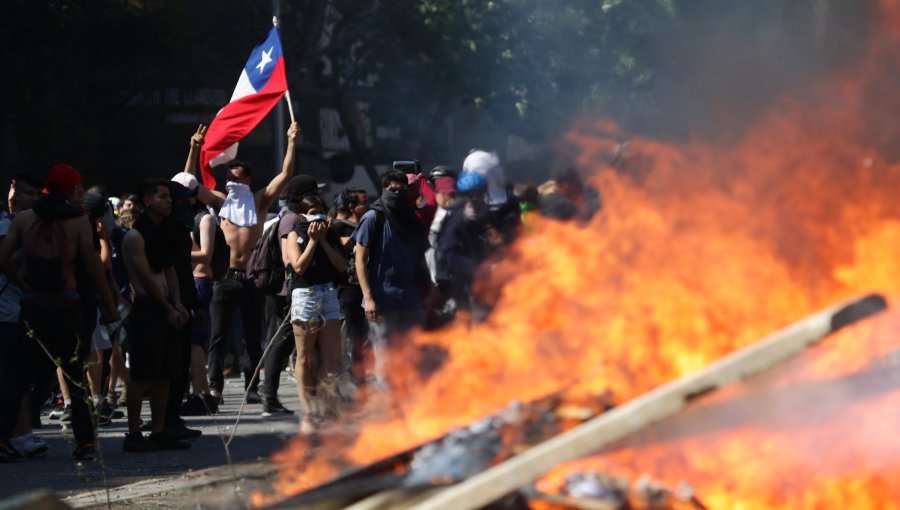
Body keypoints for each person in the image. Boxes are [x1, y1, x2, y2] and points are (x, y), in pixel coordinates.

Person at [0, 164, 119, 461]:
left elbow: (3, 259)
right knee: (75, 374)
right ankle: (85, 442)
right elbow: (93, 268)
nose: (81, 191)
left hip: (31, 308)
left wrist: (23, 283)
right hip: (66, 307)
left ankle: (2, 439)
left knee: (16, 375)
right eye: (78, 187)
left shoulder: (25, 219)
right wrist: (110, 303)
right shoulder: (78, 222)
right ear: (70, 190)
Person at [202, 122, 299, 404]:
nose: (234, 184)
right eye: (229, 179)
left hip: (251, 279)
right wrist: (195, 148)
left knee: (252, 336)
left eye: (239, 179)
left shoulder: (259, 203)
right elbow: (189, 185)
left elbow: (285, 174)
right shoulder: (222, 203)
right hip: (225, 279)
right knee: (218, 336)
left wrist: (291, 140)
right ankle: (215, 387)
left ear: (249, 181)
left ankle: (252, 387)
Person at [120, 179, 191, 452]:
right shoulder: (135, 236)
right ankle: (134, 433)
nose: (169, 201)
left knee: (165, 373)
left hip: (167, 309)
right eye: (162, 197)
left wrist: (179, 304)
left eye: (169, 197)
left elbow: (169, 271)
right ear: (147, 201)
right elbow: (147, 279)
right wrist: (168, 308)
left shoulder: (165, 232)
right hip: (148, 309)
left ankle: (159, 430)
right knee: (141, 374)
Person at [351, 169, 433, 385]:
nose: (397, 194)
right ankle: (388, 408)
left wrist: (430, 287)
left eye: (401, 190)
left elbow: (420, 258)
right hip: (381, 300)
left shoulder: (411, 221)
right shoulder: (373, 218)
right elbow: (360, 259)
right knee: (385, 357)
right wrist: (368, 297)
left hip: (409, 298)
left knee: (412, 355)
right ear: (384, 190)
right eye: (392, 190)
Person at [283, 195, 348, 433]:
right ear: (302, 214)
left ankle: (328, 408)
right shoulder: (294, 234)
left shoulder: (330, 234)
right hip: (305, 295)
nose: (317, 215)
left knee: (331, 358)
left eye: (320, 210)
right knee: (306, 357)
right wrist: (311, 241)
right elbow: (298, 266)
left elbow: (341, 266)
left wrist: (323, 241)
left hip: (328, 294)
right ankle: (309, 411)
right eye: (312, 211)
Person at [260, 175, 319, 417]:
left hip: (291, 291)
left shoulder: (293, 217)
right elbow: (288, 259)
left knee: (285, 344)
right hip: (288, 292)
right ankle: (269, 397)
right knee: (281, 343)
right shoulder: (292, 220)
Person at [0, 173, 50, 460]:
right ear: (16, 194)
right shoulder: (8, 225)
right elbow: (7, 261)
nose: (34, 200)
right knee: (12, 376)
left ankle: (19, 433)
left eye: (36, 195)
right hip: (7, 311)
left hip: (20, 310)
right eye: (29, 194)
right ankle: (18, 435)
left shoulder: (23, 223)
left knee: (18, 375)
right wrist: (25, 283)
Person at [334, 187, 369, 381]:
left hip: (365, 287)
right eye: (363, 202)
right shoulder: (338, 227)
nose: (368, 205)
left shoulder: (369, 223)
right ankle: (345, 374)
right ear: (351, 206)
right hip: (346, 287)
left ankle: (359, 374)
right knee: (348, 333)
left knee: (363, 335)